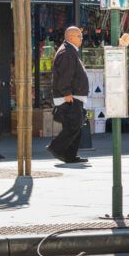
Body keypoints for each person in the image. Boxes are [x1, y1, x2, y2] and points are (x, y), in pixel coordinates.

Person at [47, 26, 89, 164]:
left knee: (75, 125)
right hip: (70, 97)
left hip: (73, 96)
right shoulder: (67, 52)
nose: (81, 38)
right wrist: (67, 93)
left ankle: (70, 156)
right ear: (70, 37)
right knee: (74, 125)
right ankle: (56, 147)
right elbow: (65, 75)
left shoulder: (70, 51)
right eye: (79, 36)